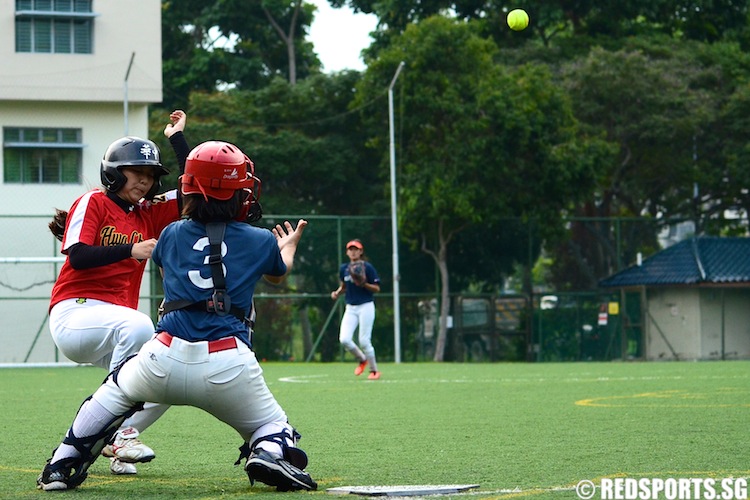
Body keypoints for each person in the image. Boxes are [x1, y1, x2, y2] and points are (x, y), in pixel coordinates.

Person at [37, 140, 317, 493]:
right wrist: (286, 247)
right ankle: (267, 450)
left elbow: (192, 223)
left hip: (163, 355)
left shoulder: (169, 234)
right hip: (228, 361)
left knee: (114, 392)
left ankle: (64, 462)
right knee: (273, 425)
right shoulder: (259, 239)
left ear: (187, 190)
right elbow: (277, 274)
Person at [45, 110, 190, 475]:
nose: (144, 181)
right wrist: (131, 250)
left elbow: (193, 189)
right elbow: (77, 256)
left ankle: (114, 442)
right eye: (136, 172)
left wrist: (177, 139)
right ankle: (121, 432)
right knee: (139, 326)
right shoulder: (93, 202)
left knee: (169, 374)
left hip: (116, 322)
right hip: (76, 314)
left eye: (150, 175)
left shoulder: (146, 214)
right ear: (113, 172)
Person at [330, 239, 382, 380]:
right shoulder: (344, 268)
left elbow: (377, 288)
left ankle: (374, 370)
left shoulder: (367, 267)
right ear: (347, 252)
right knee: (345, 339)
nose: (353, 252)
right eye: (350, 249)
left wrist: (364, 283)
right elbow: (344, 286)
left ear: (360, 252)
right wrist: (337, 292)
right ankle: (362, 359)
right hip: (351, 307)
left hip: (366, 305)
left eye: (356, 249)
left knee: (364, 341)